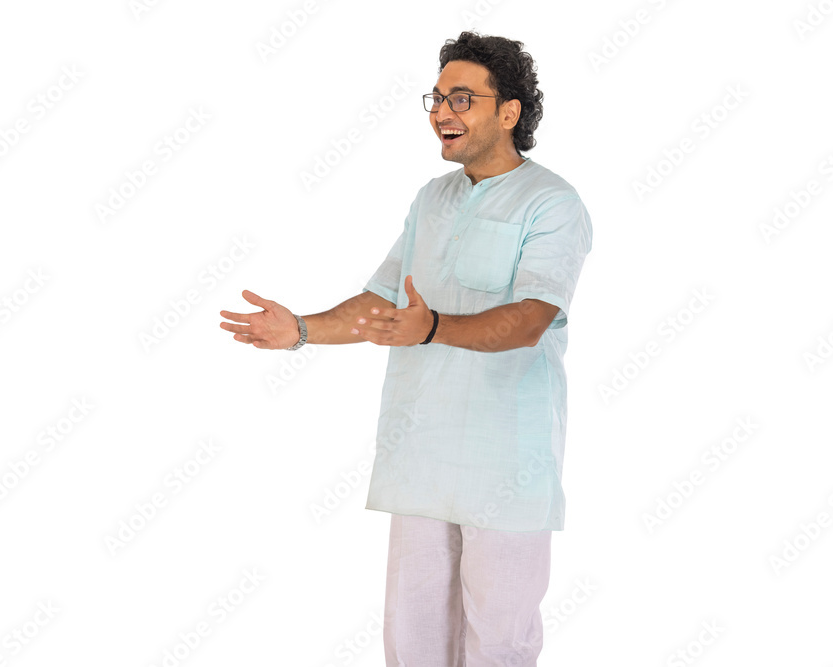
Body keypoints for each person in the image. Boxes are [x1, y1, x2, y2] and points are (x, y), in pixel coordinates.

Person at [220, 30, 592, 667]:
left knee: (499, 641)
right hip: (419, 461)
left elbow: (531, 319)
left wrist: (433, 328)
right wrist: (301, 329)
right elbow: (383, 303)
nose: (441, 112)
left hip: (505, 469)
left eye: (462, 98)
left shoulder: (551, 203)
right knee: (412, 641)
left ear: (509, 112)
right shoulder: (433, 198)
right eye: (437, 97)